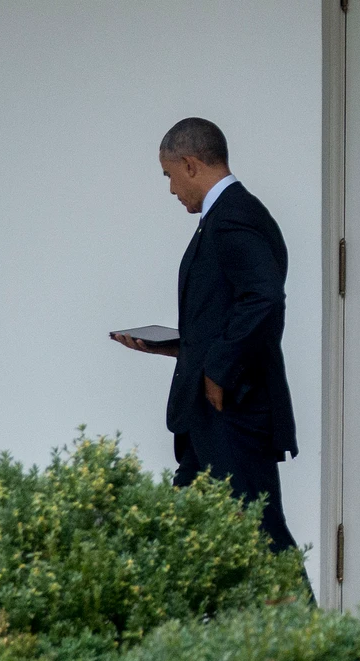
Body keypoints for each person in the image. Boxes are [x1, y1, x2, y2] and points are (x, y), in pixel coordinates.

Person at [113, 117, 300, 554]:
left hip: (233, 411)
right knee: (187, 533)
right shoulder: (228, 216)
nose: (172, 189)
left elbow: (265, 299)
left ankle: (304, 625)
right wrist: (180, 347)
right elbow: (231, 312)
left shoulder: (233, 218)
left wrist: (217, 368)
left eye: (169, 175)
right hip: (213, 417)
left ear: (191, 164)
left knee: (261, 538)